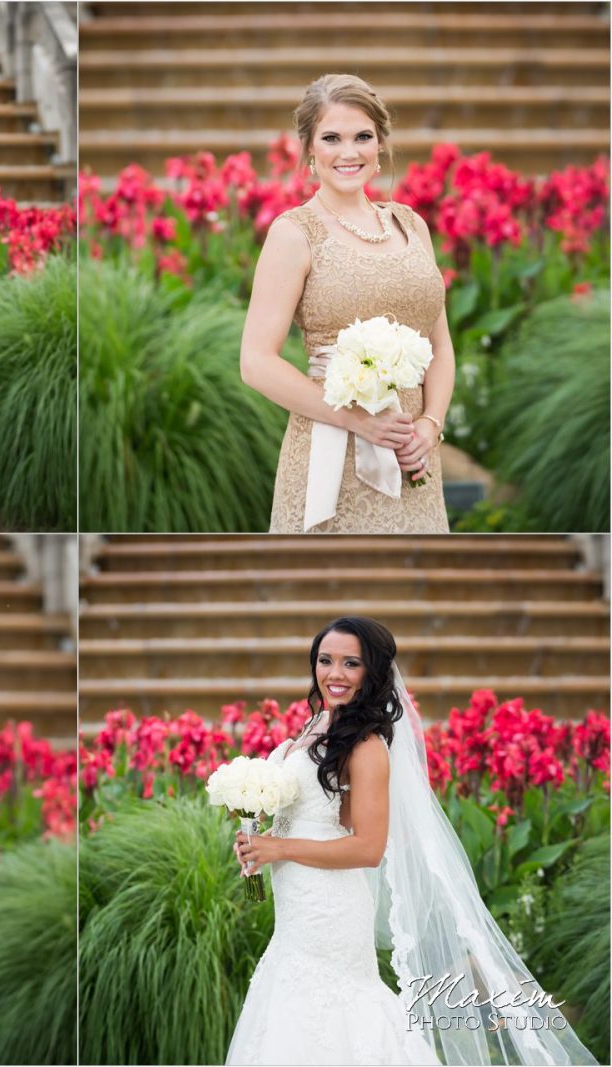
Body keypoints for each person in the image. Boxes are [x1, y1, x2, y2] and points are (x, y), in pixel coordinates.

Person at [227, 617, 595, 1066]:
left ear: (372, 672)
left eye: (351, 664)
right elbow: (311, 818)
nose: (334, 674)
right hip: (295, 911)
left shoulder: (365, 747)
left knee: (335, 1010)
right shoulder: (314, 729)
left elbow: (367, 847)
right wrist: (258, 831)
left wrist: (279, 849)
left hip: (331, 908)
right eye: (326, 660)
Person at [240, 74, 452, 533]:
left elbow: (440, 344)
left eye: (363, 137)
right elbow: (255, 362)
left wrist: (430, 427)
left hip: (413, 455)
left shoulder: (412, 226)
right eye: (332, 138)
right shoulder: (294, 233)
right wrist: (358, 421)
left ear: (380, 146)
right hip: (329, 454)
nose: (349, 152)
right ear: (310, 150)